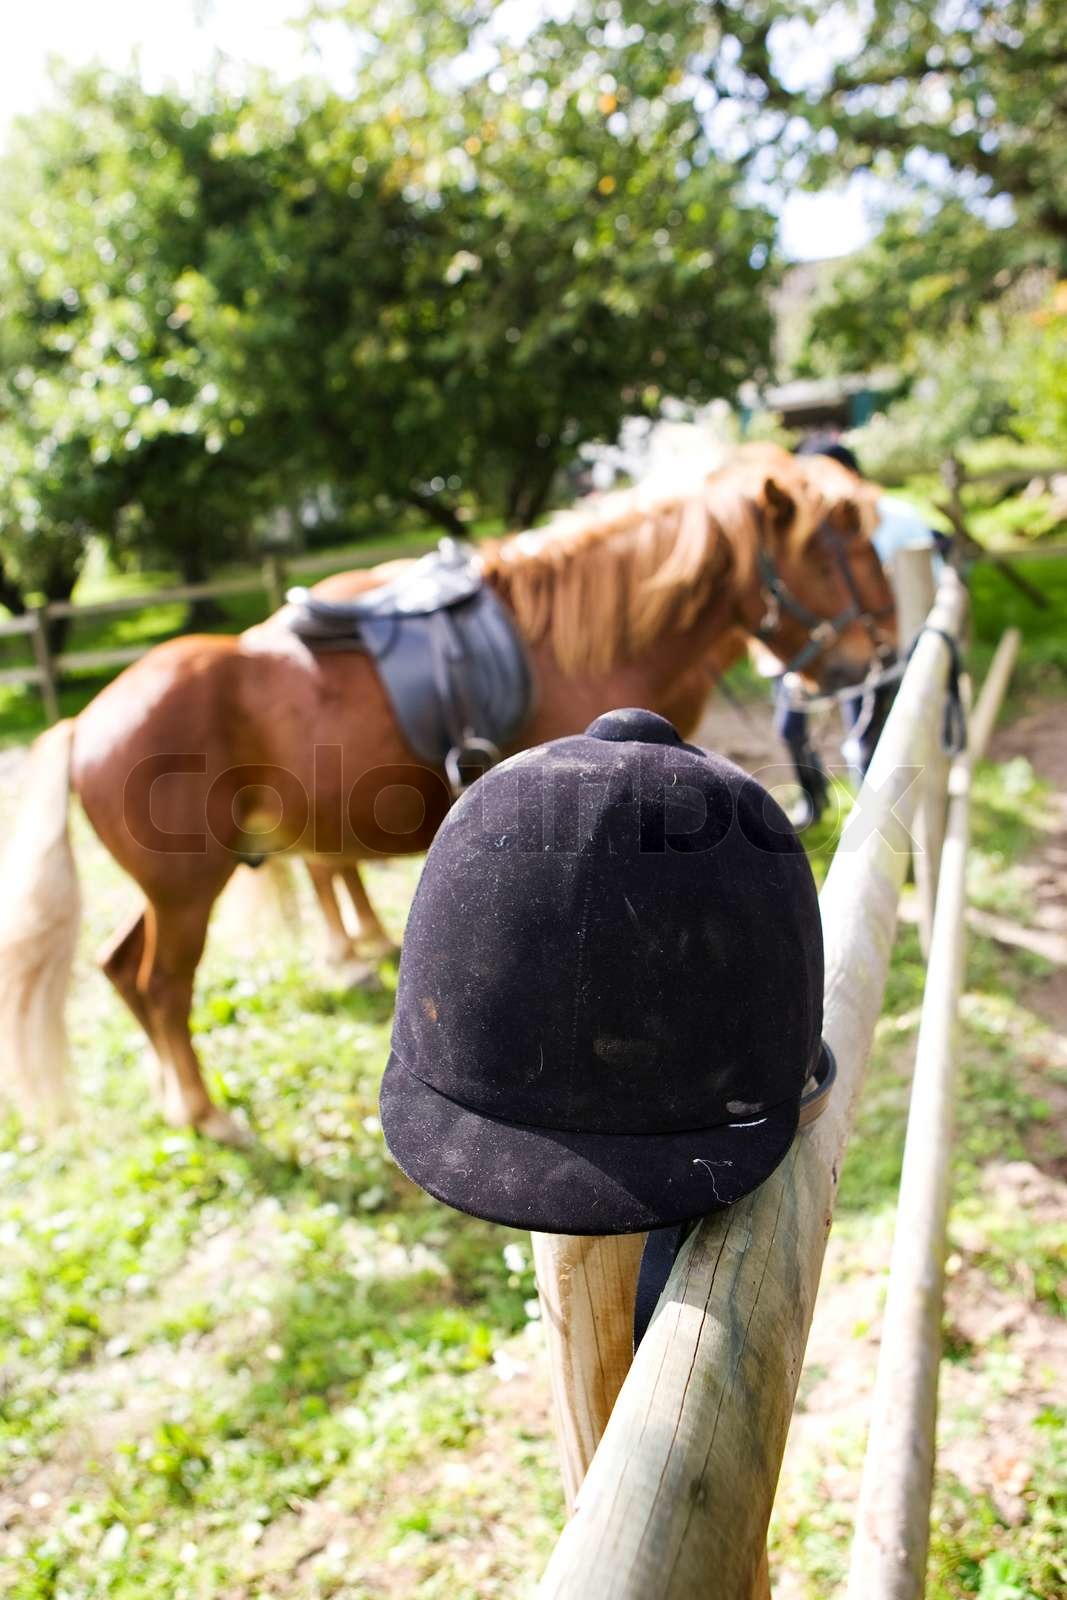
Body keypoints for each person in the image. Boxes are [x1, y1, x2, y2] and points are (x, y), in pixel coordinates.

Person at [777, 437, 950, 827]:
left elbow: (928, 584)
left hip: (877, 647)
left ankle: (879, 829)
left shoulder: (894, 517)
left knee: (865, 740)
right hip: (825, 647)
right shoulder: (805, 532)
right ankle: (817, 803)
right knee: (793, 728)